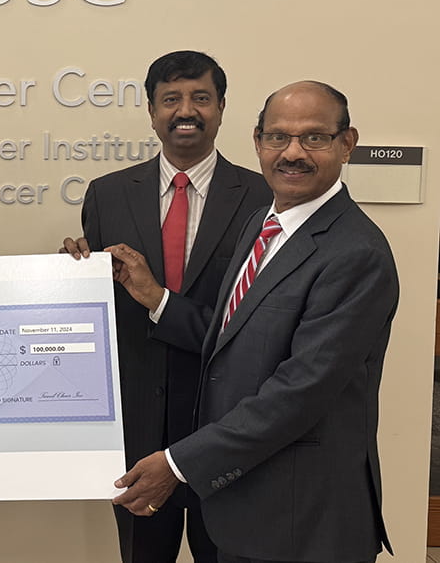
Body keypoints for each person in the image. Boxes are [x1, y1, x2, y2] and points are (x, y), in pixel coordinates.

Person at [113, 81, 398, 563]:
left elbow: (298, 391)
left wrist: (179, 464)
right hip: (246, 509)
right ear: (257, 140)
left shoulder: (356, 253)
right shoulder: (263, 224)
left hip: (303, 521)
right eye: (277, 137)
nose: (292, 153)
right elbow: (231, 343)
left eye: (314, 138)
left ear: (346, 144)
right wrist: (154, 297)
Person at [62, 50, 271, 562]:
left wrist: (158, 299)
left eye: (201, 98)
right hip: (137, 430)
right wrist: (71, 278)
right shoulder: (107, 195)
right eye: (171, 99)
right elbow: (102, 309)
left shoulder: (264, 196)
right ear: (151, 111)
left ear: (221, 108)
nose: (186, 110)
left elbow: (259, 324)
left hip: (226, 428)